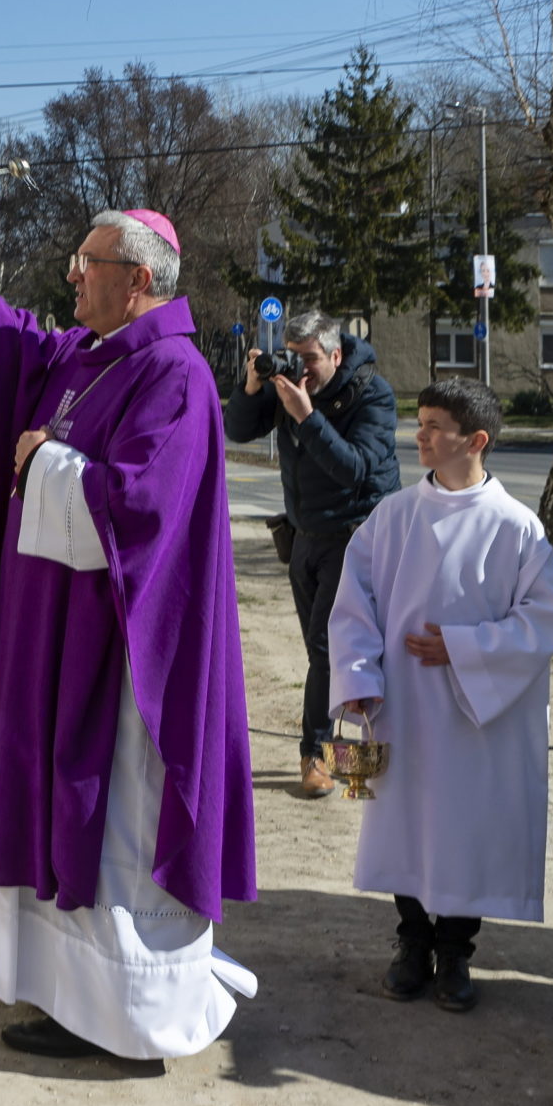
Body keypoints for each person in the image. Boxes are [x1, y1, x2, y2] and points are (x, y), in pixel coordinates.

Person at [0, 173, 256, 1062]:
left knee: (114, 830)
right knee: (56, 812)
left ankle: (125, 1018)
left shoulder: (174, 374)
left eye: (86, 263)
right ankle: (68, 996)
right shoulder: (86, 356)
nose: (72, 276)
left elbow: (143, 508)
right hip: (52, 642)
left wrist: (47, 463)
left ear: (137, 280)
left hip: (120, 660)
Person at [329, 378, 553, 1016]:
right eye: (421, 422)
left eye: (436, 426)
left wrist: (463, 648)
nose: (421, 436)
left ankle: (456, 950)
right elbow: (353, 604)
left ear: (476, 440)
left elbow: (543, 621)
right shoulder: (393, 516)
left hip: (477, 714)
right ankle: (412, 941)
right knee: (401, 820)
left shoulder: (517, 527)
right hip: (400, 703)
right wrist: (358, 679)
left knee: (467, 825)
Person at [228, 310, 402, 796]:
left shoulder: (372, 394)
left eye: (309, 359)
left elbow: (354, 469)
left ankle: (316, 756)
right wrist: (251, 387)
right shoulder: (289, 385)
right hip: (304, 536)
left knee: (328, 648)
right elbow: (237, 430)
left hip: (355, 538)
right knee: (320, 650)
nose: (299, 368)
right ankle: (353, 743)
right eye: (291, 356)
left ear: (336, 355)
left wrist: (306, 416)